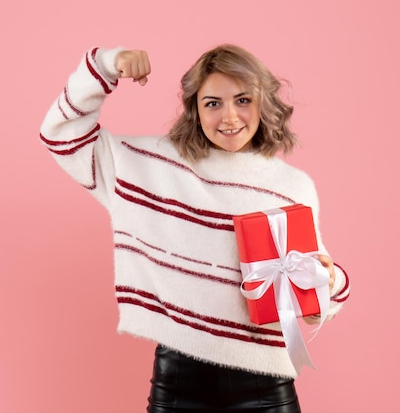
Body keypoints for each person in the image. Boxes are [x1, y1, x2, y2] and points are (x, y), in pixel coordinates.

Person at [40, 44, 350, 412]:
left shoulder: (293, 186)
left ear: (264, 103)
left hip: (266, 386)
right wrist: (105, 66)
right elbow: (61, 136)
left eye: (243, 100)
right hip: (179, 381)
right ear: (195, 109)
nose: (230, 116)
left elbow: (319, 291)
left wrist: (326, 281)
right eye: (213, 103)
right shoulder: (150, 166)